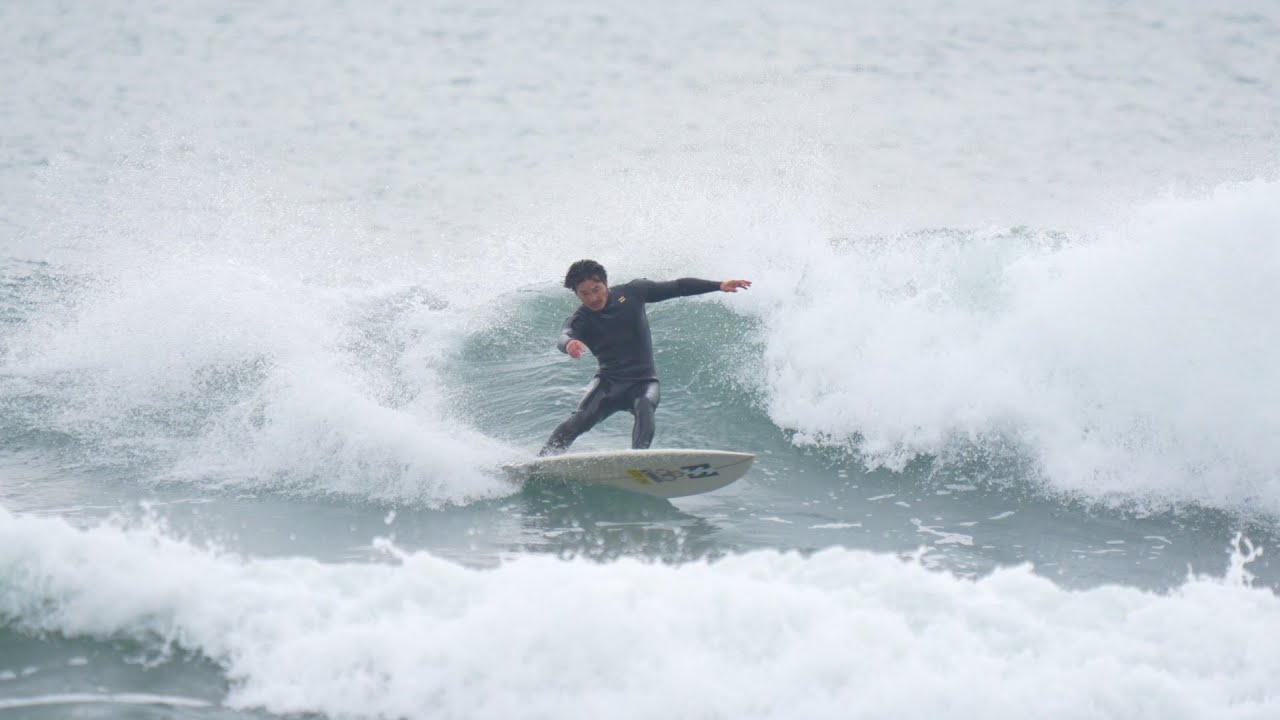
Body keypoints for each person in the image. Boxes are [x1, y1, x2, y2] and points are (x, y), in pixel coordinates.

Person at [539, 259, 752, 456]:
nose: (593, 298)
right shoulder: (581, 319)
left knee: (644, 406)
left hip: (643, 382)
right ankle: (543, 461)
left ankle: (638, 460)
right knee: (580, 418)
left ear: (605, 283)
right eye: (584, 294)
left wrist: (719, 285)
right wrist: (569, 344)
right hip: (608, 383)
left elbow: (678, 287)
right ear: (577, 294)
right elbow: (564, 335)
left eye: (596, 289)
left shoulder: (633, 292)